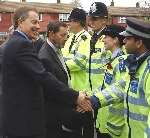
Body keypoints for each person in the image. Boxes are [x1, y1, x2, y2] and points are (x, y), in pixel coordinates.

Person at [1, 6, 92, 138]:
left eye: (38, 22)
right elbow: (42, 76)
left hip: (15, 117)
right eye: (34, 22)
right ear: (20, 22)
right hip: (23, 121)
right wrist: (76, 96)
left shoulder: (13, 42)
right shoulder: (21, 44)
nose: (38, 26)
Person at [89, 17, 150, 138]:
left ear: (139, 43)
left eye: (128, 38)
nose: (124, 41)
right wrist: (94, 100)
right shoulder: (136, 64)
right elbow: (121, 87)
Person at [87, 2, 112, 138]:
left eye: (95, 18)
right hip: (93, 94)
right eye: (90, 18)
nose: (91, 21)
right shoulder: (93, 37)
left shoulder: (111, 38)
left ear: (105, 19)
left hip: (105, 95)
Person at [102, 24, 128, 138]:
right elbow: (106, 85)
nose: (103, 39)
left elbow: (120, 91)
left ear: (116, 40)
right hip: (109, 122)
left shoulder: (122, 62)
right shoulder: (113, 59)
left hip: (117, 127)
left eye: (106, 36)